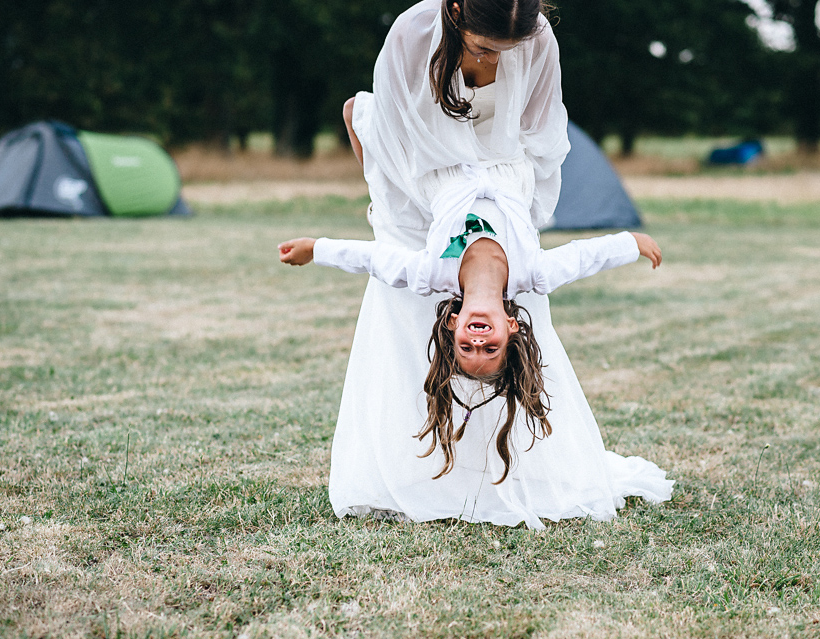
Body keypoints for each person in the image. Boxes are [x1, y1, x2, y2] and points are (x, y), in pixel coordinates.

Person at [317, 0, 673, 529]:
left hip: (484, 187)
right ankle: (431, 467)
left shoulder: (538, 39)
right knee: (405, 302)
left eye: (511, 51)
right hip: (421, 173)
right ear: (456, 10)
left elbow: (543, 132)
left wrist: (318, 248)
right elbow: (398, 137)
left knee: (417, 288)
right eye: (486, 49)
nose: (500, 60)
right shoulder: (413, 34)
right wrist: (625, 243)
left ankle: (485, 469)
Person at [279, 163, 662, 484]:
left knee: (357, 112)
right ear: (512, 327)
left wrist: (316, 249)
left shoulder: (432, 272)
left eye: (467, 347)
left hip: (445, 165)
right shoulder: (533, 273)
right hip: (506, 166)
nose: (478, 342)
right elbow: (583, 257)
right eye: (491, 348)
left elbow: (374, 259)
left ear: (453, 323)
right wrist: (630, 243)